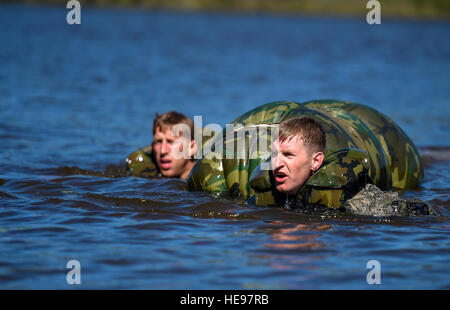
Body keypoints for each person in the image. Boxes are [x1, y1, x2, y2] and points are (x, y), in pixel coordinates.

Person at [186, 100, 431, 216]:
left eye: (289, 155)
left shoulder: (354, 199)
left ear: (316, 161)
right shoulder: (266, 192)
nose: (277, 163)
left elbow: (417, 213)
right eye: (274, 155)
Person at [125, 111, 197, 179]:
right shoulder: (144, 174)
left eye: (170, 142)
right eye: (159, 141)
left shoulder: (204, 181)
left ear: (191, 148)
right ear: (152, 145)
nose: (163, 151)